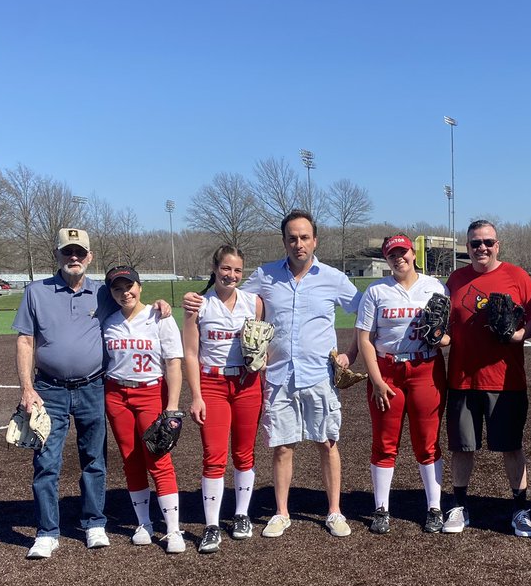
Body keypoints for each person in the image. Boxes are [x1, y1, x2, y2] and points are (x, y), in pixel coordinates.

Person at [184, 210, 361, 538]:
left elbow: (365, 313)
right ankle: (281, 513)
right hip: (279, 375)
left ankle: (334, 510)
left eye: (304, 237)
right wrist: (195, 298)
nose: (299, 244)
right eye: (292, 238)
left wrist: (350, 353)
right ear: (284, 241)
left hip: (320, 374)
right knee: (282, 447)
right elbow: (230, 293)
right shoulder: (265, 276)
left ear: (314, 240)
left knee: (327, 443)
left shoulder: (333, 278)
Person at [12, 228, 116, 560]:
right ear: (57, 255)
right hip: (48, 390)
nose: (74, 257)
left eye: (80, 252)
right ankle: (47, 532)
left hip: (92, 387)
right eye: (67, 252)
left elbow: (134, 308)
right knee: (46, 461)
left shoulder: (103, 293)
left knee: (95, 459)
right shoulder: (36, 292)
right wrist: (27, 388)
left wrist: (162, 306)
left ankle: (94, 523)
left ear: (90, 257)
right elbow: (25, 341)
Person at [443, 219, 531, 536]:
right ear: (467, 246)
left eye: (488, 242)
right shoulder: (456, 279)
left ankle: (520, 510)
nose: (481, 248)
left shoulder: (517, 277)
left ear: (497, 245)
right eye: (475, 243)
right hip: (462, 378)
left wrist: (520, 335)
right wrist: (437, 336)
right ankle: (459, 506)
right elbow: (444, 325)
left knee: (511, 447)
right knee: (462, 447)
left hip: (506, 380)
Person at [355, 235, 449, 534]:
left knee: (427, 440)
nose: (399, 258)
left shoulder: (434, 286)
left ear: (413, 253)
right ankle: (381, 507)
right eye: (392, 254)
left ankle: (434, 507)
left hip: (426, 367)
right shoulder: (376, 290)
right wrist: (377, 380)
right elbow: (365, 340)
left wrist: (439, 337)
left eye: (403, 252)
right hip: (388, 369)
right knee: (385, 441)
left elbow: (448, 336)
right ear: (386, 258)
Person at [183, 245, 265, 552]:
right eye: (226, 268)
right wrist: (196, 396)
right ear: (215, 268)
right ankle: (212, 524)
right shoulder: (199, 305)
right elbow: (191, 353)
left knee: (244, 453)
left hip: (247, 383)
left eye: (237, 270)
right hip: (213, 383)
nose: (231, 275)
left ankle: (242, 514)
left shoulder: (253, 302)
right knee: (214, 455)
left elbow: (263, 342)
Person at [102, 265, 186, 553]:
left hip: (151, 392)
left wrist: (172, 407)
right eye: (117, 288)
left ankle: (173, 529)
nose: (125, 292)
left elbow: (174, 362)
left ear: (140, 287)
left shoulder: (159, 317)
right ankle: (144, 523)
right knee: (130, 459)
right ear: (110, 292)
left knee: (158, 459)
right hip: (116, 394)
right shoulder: (108, 320)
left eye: (130, 286)